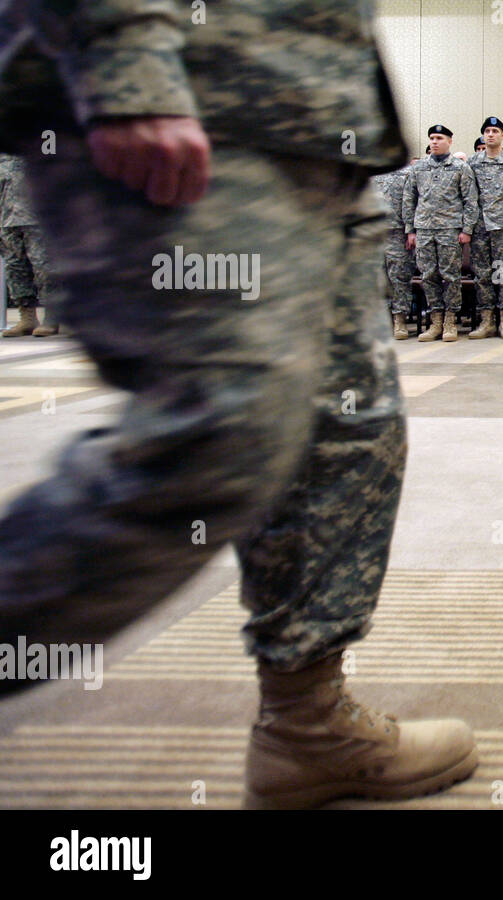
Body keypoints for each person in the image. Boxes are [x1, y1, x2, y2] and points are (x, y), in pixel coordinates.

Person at [0, 0, 476, 808]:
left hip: (317, 122)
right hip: (187, 97)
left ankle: (307, 720)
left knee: (346, 431)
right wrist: (122, 52)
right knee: (216, 437)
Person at [403, 124, 479, 342]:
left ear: (449, 141)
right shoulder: (418, 169)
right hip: (424, 229)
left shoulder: (460, 168)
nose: (434, 142)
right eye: (432, 138)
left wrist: (467, 229)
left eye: (439, 138)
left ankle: (450, 320)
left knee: (450, 276)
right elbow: (409, 199)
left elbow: (470, 200)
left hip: (450, 230)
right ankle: (435, 320)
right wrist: (411, 230)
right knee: (428, 275)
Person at [467, 117, 503, 340]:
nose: (491, 134)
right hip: (480, 227)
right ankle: (486, 320)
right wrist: (468, 227)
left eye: (495, 131)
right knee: (482, 274)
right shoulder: (472, 163)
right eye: (487, 131)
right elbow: (469, 197)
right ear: (483, 136)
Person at [0, 154, 58, 337]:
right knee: (15, 269)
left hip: (36, 220)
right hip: (7, 221)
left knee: (43, 267)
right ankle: (27, 317)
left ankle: (52, 316)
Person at [373, 158, 422, 339]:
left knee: (399, 278)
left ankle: (399, 320)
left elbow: (411, 203)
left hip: (398, 233)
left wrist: (410, 230)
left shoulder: (408, 173)